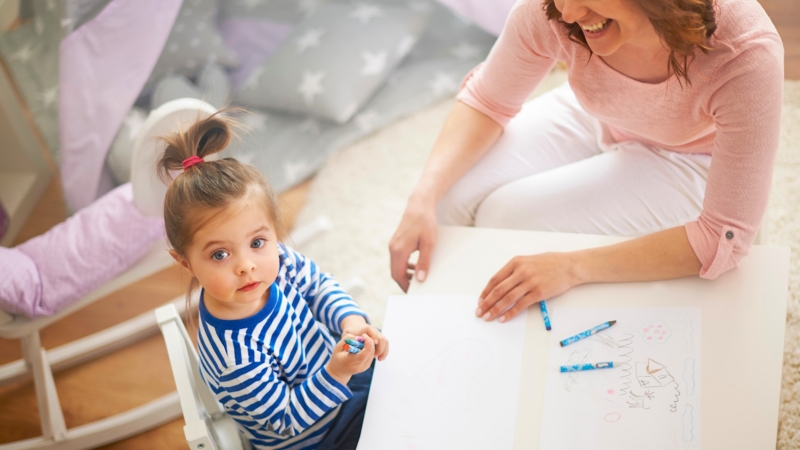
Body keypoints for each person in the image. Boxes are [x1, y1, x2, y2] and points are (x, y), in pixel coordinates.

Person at [389, 0, 783, 322]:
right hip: (600, 112)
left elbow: (724, 237)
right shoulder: (554, 10)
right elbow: (488, 100)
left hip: (692, 159)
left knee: (506, 220)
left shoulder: (745, 52)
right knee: (447, 200)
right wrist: (421, 196)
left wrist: (572, 267)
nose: (570, 13)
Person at [158, 112, 389, 450]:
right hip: (317, 436)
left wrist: (351, 323)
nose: (247, 266)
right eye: (220, 255)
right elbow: (284, 422)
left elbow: (318, 285)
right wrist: (337, 372)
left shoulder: (278, 262)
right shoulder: (234, 356)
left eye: (257, 242)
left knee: (410, 374)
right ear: (185, 262)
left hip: (337, 379)